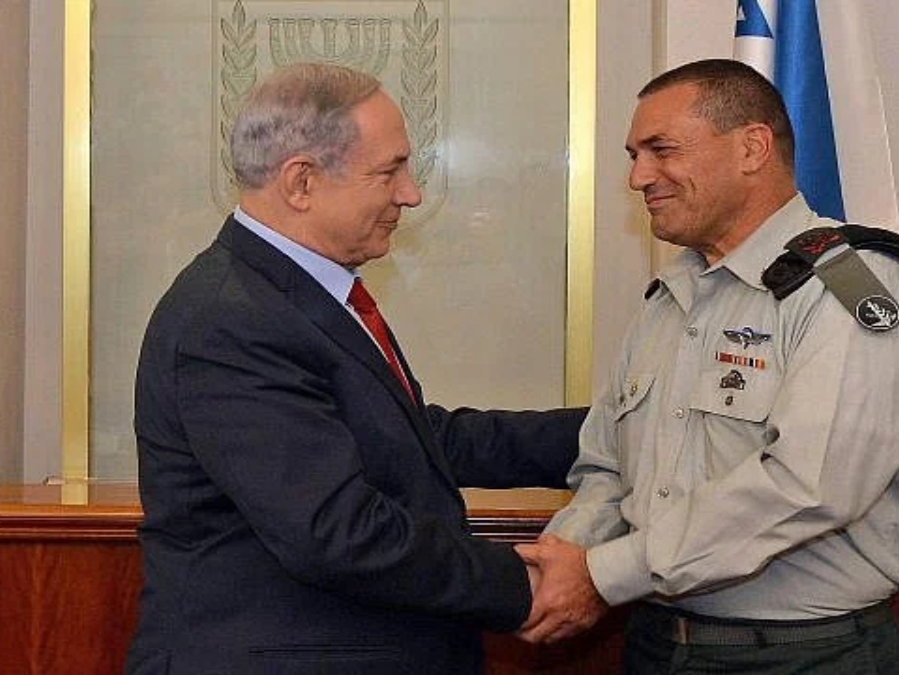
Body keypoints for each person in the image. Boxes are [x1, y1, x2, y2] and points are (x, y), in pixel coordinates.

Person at [515, 58, 899, 673]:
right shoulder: (673, 297)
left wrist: (604, 574)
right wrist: (566, 557)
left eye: (661, 150)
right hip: (657, 638)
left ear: (752, 147)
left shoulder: (852, 284)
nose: (638, 177)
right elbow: (609, 465)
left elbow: (809, 484)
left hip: (804, 653)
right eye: (634, 154)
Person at [124, 62, 586, 674]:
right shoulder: (230, 318)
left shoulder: (290, 294)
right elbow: (334, 533)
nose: (411, 193)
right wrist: (526, 582)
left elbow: (411, 440)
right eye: (390, 170)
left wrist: (614, 430)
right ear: (301, 183)